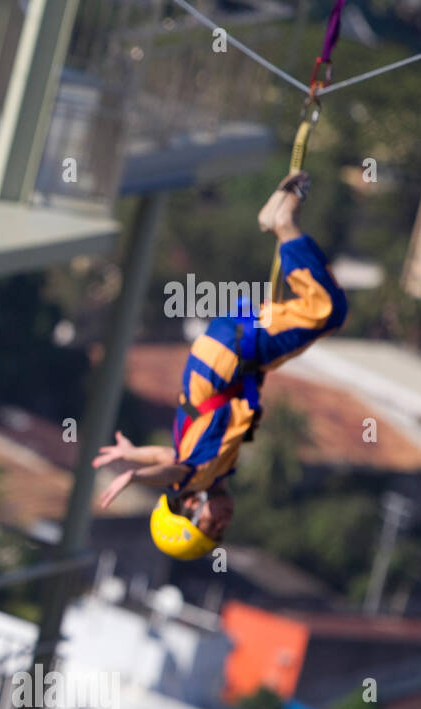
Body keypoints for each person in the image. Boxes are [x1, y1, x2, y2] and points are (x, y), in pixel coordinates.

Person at [92, 171, 348, 560]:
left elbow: (174, 472)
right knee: (321, 315)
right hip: (232, 356)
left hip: (231, 357)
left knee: (325, 310)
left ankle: (281, 222)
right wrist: (136, 455)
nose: (224, 521)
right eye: (221, 531)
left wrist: (135, 475)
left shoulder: (198, 475)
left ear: (189, 508)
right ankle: (276, 222)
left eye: (212, 525)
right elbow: (169, 459)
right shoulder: (214, 468)